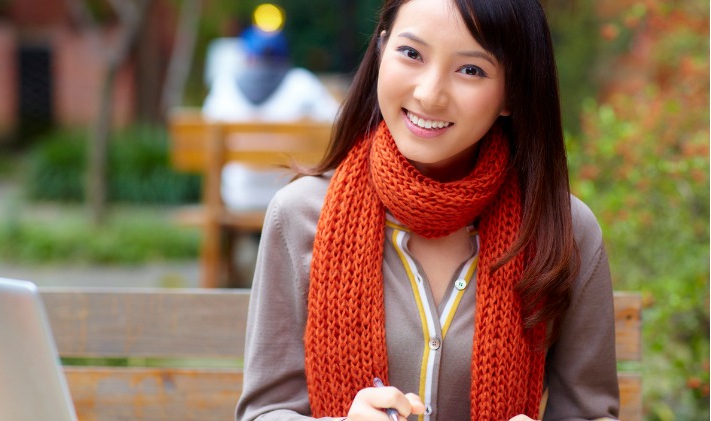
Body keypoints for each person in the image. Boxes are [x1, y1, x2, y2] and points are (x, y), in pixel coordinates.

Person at [236, 0, 619, 420]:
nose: (429, 94)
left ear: (512, 92)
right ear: (382, 51)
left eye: (471, 70)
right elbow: (266, 411)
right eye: (412, 54)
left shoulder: (564, 230)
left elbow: (590, 411)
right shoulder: (299, 216)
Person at [202, 24, 340, 211]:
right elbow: (337, 122)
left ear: (247, 55)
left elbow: (205, 126)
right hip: (291, 195)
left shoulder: (225, 86)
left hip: (238, 196)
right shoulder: (302, 84)